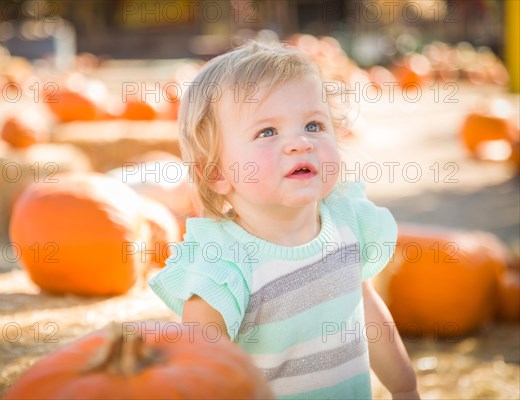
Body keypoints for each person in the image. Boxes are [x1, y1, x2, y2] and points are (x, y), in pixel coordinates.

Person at [148, 41, 419, 399]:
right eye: (268, 132)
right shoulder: (223, 266)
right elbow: (201, 372)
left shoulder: (345, 222)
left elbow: (366, 311)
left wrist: (404, 388)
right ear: (215, 173)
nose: (300, 143)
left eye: (313, 124)